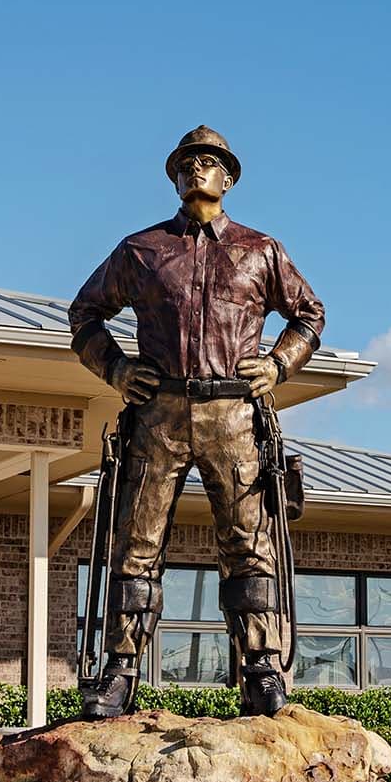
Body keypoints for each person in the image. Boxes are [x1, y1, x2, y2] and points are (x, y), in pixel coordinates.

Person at [68, 126, 326, 718]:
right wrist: (115, 368)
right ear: (175, 176)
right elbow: (85, 315)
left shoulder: (261, 250)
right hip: (158, 416)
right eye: (187, 163)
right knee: (136, 545)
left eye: (208, 162)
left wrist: (280, 363)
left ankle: (261, 667)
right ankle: (121, 670)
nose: (196, 170)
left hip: (235, 415)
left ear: (228, 177)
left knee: (250, 545)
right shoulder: (142, 250)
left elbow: (309, 312)